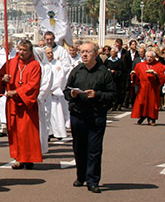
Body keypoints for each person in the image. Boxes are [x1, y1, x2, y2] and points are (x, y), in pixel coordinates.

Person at [65, 41, 116, 193]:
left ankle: (93, 180)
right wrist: (72, 94)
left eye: (88, 52)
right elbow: (66, 91)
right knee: (79, 148)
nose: (84, 55)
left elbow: (112, 95)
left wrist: (97, 95)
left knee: (94, 149)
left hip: (95, 116)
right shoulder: (76, 71)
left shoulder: (103, 72)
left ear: (95, 54)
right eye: (82, 52)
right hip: (78, 114)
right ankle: (81, 176)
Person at [0, 39, 43, 169]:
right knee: (15, 132)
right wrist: (3, 80)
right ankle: (18, 158)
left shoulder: (34, 65)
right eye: (20, 49)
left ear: (30, 51)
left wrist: (17, 92)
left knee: (27, 133)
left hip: (26, 104)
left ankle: (28, 158)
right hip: (13, 104)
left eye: (25, 50)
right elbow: (1, 76)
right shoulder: (11, 63)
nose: (21, 52)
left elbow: (33, 85)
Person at [131, 49, 165, 125]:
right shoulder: (140, 65)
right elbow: (136, 77)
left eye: (151, 57)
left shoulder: (159, 65)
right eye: (148, 57)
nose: (149, 58)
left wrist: (156, 75)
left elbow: (163, 78)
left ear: (154, 57)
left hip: (153, 88)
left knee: (152, 103)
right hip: (143, 87)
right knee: (141, 102)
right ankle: (143, 116)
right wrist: (133, 74)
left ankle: (152, 119)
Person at [46, 47, 68, 140]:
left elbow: (60, 78)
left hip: (54, 92)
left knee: (57, 113)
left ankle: (59, 133)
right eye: (48, 53)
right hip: (46, 93)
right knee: (48, 115)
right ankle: (49, 132)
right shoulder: (43, 64)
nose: (50, 54)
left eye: (51, 52)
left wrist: (52, 88)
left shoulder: (58, 64)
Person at [38, 49, 54, 153]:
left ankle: (42, 146)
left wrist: (39, 96)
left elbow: (47, 83)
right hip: (31, 98)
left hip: (41, 98)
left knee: (42, 122)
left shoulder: (47, 67)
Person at [104, 47, 125, 111]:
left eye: (114, 52)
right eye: (112, 52)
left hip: (117, 80)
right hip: (110, 79)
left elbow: (122, 71)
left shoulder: (119, 61)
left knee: (118, 92)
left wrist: (115, 72)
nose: (112, 53)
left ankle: (118, 104)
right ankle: (111, 105)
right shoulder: (107, 61)